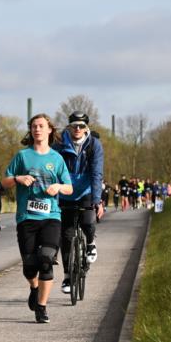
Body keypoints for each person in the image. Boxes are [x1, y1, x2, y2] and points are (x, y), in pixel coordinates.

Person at [1, 114, 73, 323]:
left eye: (41, 126)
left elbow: (69, 188)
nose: (37, 129)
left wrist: (58, 186)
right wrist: (18, 178)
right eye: (34, 126)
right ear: (30, 131)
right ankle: (34, 287)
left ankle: (41, 307)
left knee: (46, 258)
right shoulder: (22, 156)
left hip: (51, 216)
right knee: (30, 266)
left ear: (50, 130)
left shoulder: (56, 158)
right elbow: (5, 182)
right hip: (27, 218)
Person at [53, 112, 104, 295]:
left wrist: (97, 200)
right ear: (69, 127)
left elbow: (97, 173)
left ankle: (90, 243)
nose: (77, 129)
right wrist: (53, 198)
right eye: (74, 125)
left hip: (86, 192)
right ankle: (67, 276)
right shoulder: (59, 145)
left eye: (81, 126)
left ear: (86, 128)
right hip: (65, 193)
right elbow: (53, 172)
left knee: (88, 221)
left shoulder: (94, 145)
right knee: (66, 237)